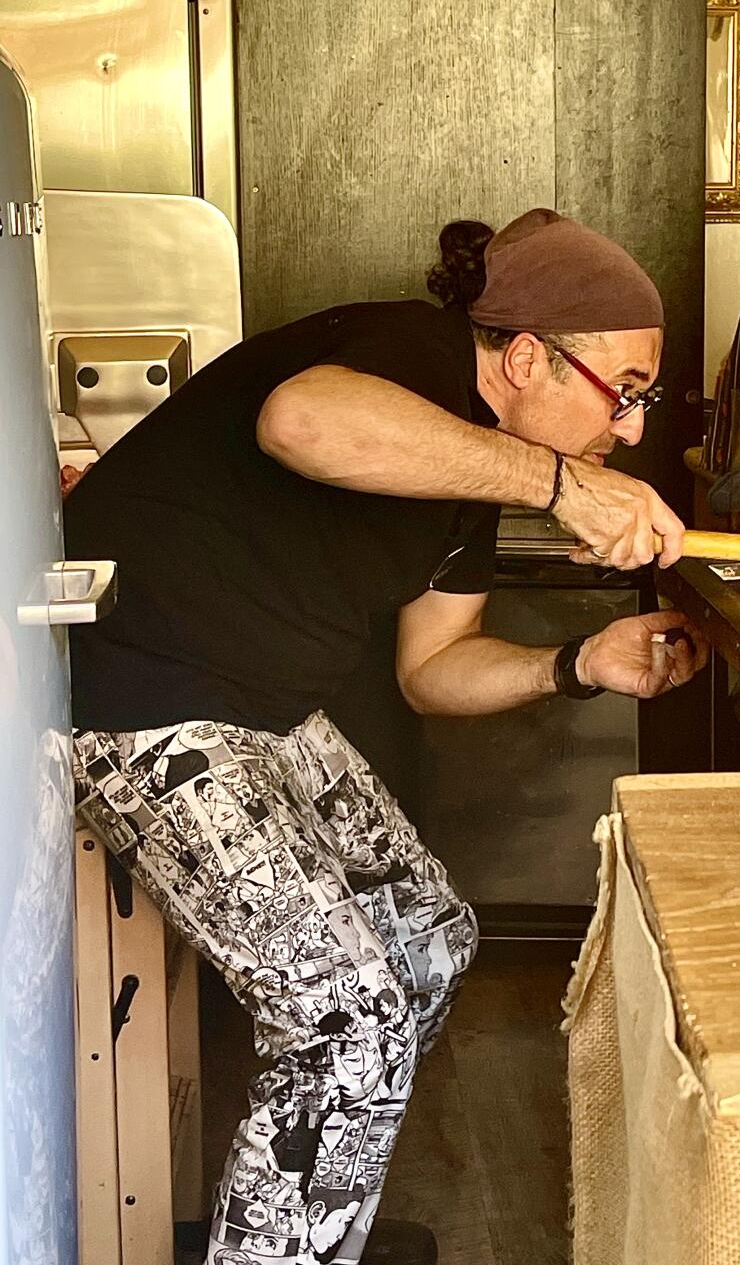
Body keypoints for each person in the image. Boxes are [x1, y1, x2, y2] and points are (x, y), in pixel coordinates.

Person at [66, 207, 707, 1265]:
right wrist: (561, 484)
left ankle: (310, 1241)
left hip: (262, 709)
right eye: (625, 395)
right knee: (347, 1017)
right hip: (146, 698)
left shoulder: (471, 486)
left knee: (429, 943)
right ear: (528, 355)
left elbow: (430, 669)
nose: (631, 428)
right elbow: (302, 422)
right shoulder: (406, 352)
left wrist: (579, 663)